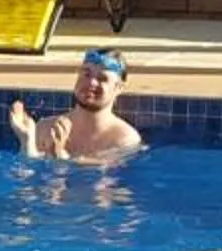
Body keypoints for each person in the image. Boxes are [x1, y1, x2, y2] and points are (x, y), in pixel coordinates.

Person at [8, 47, 143, 165]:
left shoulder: (124, 140)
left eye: (102, 78)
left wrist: (60, 155)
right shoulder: (45, 128)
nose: (92, 82)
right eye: (86, 74)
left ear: (118, 88)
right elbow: (28, 181)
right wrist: (27, 142)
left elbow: (98, 179)